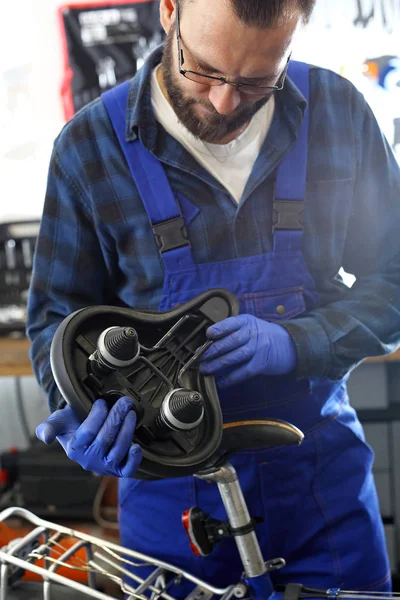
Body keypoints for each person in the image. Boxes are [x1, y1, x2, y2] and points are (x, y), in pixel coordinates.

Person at [28, 0, 400, 596]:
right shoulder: (88, 149)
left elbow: (396, 280)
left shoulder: (338, 114)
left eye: (258, 79)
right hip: (172, 497)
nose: (226, 102)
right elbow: (56, 320)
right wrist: (78, 407)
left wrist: (297, 342)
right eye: (203, 69)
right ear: (170, 11)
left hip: (320, 486)